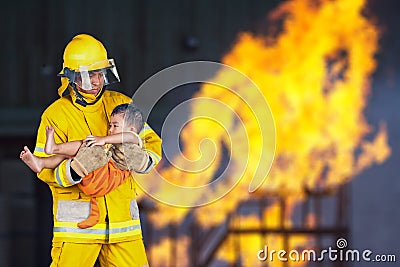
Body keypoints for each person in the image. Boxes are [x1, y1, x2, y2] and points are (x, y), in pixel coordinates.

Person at [30, 33, 161, 267]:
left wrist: (140, 159)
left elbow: (151, 144)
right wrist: (75, 168)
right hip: (77, 231)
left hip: (123, 227)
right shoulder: (56, 115)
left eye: (100, 73)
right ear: (70, 78)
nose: (97, 81)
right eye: (89, 75)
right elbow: (43, 168)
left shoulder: (122, 104)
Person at [20, 103, 146, 229]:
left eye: (115, 126)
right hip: (98, 182)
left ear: (132, 129)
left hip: (107, 178)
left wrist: (103, 139)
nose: (110, 130)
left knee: (89, 147)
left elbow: (126, 136)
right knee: (78, 151)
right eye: (110, 125)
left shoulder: (133, 140)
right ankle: (42, 162)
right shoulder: (117, 143)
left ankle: (55, 148)